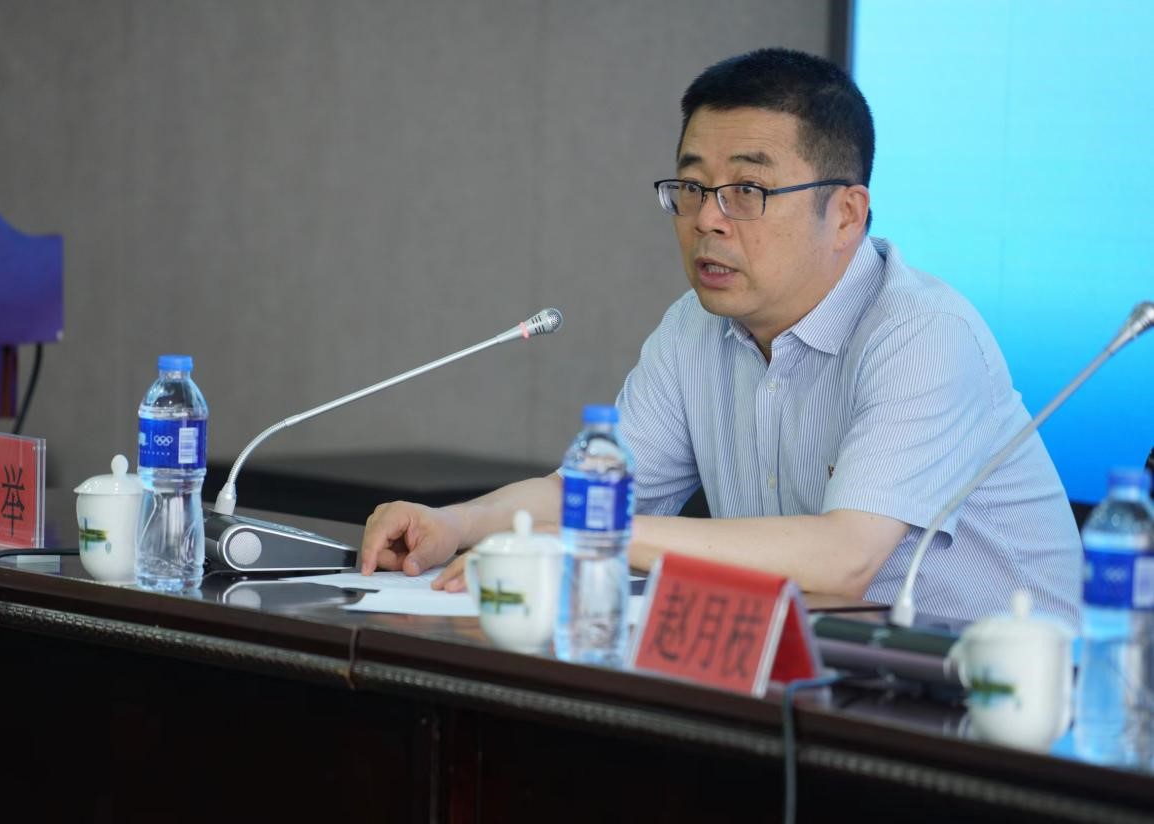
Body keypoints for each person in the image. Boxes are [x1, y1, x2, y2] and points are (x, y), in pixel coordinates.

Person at [359, 47, 1081, 624]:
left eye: (747, 192)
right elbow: (591, 495)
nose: (707, 218)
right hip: (818, 679)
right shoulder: (695, 327)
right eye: (693, 188)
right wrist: (458, 523)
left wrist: (590, 538)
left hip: (1010, 709)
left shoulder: (922, 333)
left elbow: (844, 560)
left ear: (846, 215)